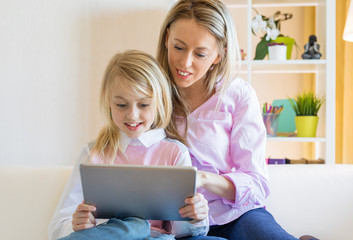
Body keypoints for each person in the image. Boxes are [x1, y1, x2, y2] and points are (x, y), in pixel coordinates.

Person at [157, 0, 316, 239]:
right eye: (179, 47)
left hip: (237, 215)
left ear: (219, 55)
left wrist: (203, 179)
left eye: (200, 53)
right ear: (167, 38)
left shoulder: (238, 95)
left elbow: (257, 182)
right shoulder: (149, 94)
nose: (185, 62)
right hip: (182, 224)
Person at [48, 50, 214, 240]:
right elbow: (57, 228)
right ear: (109, 102)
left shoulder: (175, 153)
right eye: (121, 105)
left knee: (143, 228)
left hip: (157, 238)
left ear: (159, 103)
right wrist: (77, 225)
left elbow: (181, 232)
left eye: (143, 105)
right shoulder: (94, 152)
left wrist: (195, 217)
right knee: (134, 226)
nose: (132, 115)